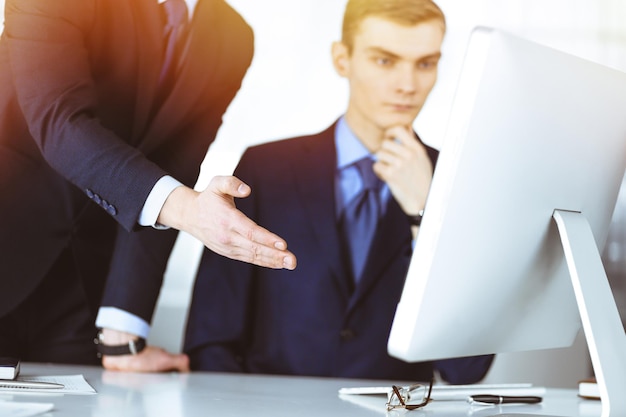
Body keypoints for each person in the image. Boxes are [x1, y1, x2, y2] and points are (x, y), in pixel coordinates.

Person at [184, 0, 493, 383]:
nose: (408, 85)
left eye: (425, 64)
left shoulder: (458, 180)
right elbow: (210, 337)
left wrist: (425, 212)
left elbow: (466, 368)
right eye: (384, 60)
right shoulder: (266, 169)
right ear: (342, 59)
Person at [0, 0, 296, 372]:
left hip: (84, 292)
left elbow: (175, 166)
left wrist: (122, 330)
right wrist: (188, 211)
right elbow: (59, 121)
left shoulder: (231, 38)